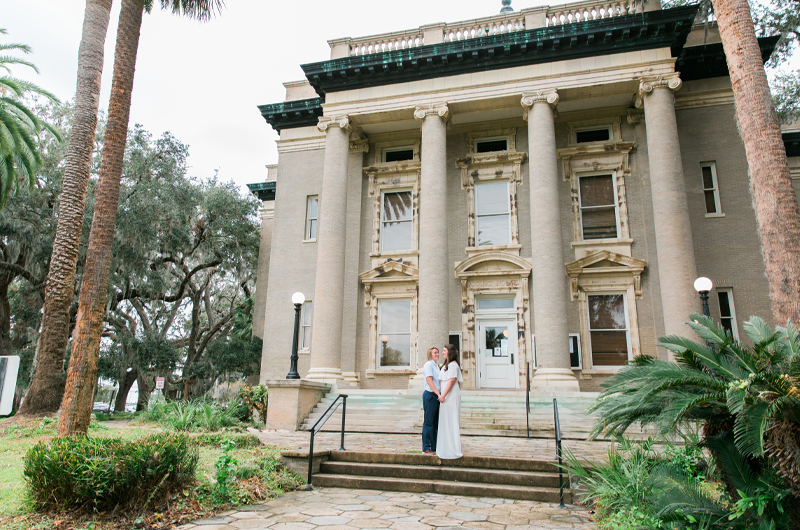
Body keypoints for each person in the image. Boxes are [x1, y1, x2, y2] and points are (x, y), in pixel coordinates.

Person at [436, 343, 463, 459]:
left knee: (451, 420)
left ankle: (452, 448)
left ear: (450, 352)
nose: (442, 352)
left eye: (444, 350)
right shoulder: (447, 365)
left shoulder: (453, 365)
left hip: (450, 397)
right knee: (445, 421)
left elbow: (452, 381)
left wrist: (443, 396)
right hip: (446, 397)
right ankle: (445, 447)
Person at [421, 346, 441, 454]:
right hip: (430, 395)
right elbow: (429, 380)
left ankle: (434, 446)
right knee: (428, 422)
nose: (437, 354)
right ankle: (426, 446)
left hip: (436, 396)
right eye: (435, 353)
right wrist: (437, 393)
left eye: (438, 353)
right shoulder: (428, 365)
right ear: (430, 355)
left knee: (435, 422)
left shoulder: (437, 366)